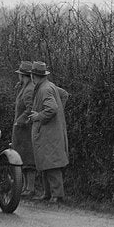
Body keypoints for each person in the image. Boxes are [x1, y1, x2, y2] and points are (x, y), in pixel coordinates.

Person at [28, 61, 69, 203]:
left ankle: (57, 195)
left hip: (49, 133)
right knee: (45, 163)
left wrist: (38, 116)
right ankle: (48, 193)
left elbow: (52, 108)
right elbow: (64, 95)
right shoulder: (48, 86)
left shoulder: (44, 89)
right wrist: (60, 116)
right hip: (49, 131)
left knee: (52, 164)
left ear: (34, 76)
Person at [10, 61, 36, 196]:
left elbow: (30, 109)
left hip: (26, 130)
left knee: (28, 160)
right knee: (23, 159)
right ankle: (25, 187)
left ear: (23, 75)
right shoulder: (24, 87)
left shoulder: (29, 90)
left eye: (20, 75)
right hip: (22, 132)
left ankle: (30, 188)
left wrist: (20, 122)